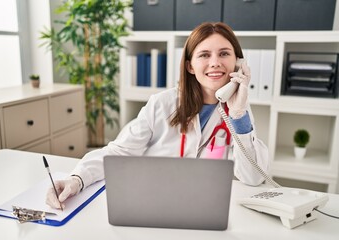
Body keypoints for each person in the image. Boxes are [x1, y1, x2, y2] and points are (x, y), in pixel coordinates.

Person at [46, 22, 269, 209]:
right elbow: (118, 152)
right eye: (204, 55)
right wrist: (77, 179)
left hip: (204, 206)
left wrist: (238, 114)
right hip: (155, 202)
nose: (215, 62)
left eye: (224, 54)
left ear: (239, 63)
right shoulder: (163, 104)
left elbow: (253, 178)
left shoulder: (239, 113)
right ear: (190, 66)